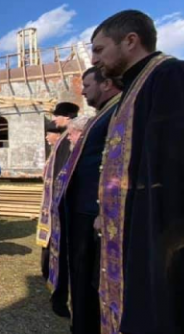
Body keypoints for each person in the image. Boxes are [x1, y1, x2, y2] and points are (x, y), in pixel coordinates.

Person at [91, 10, 184, 334]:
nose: (94, 59)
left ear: (130, 41)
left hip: (171, 236)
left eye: (99, 49)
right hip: (140, 231)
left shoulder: (174, 76)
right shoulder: (131, 93)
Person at [48, 66, 122, 334]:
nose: (83, 90)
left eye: (87, 85)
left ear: (106, 84)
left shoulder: (115, 114)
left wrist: (103, 209)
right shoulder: (106, 115)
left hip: (96, 215)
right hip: (85, 214)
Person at [37, 101, 79, 318]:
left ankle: (60, 293)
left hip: (60, 209)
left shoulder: (65, 144)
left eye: (57, 117)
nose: (53, 120)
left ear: (67, 118)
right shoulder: (59, 144)